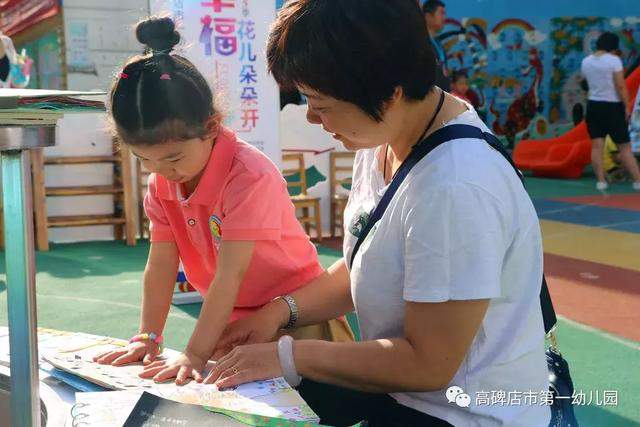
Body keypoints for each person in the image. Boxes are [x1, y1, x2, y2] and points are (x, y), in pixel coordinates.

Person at [206, 1, 550, 426]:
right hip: (403, 395)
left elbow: (429, 364)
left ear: (390, 92)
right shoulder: (384, 136)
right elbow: (367, 267)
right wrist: (280, 312)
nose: (312, 117)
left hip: (464, 413)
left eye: (321, 103)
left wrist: (286, 355)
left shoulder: (455, 186)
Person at [93, 16, 352, 385]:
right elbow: (162, 262)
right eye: (143, 159)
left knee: (310, 410)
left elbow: (231, 275)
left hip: (297, 317)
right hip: (233, 321)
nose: (160, 171)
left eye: (173, 158)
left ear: (212, 126)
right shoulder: (164, 181)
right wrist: (148, 336)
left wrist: (196, 353)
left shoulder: (248, 175)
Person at [581, 32, 640, 191]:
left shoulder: (586, 61)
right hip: (612, 106)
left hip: (593, 105)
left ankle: (600, 181)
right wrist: (627, 107)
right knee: (624, 147)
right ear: (613, 46)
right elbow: (620, 86)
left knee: (596, 146)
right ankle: (637, 181)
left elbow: (585, 84)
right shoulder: (614, 61)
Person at [423, 0, 450, 91]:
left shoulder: (438, 44)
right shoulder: (421, 43)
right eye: (441, 13)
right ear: (428, 16)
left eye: (444, 14)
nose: (444, 18)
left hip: (442, 96)